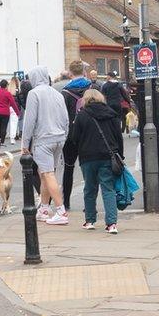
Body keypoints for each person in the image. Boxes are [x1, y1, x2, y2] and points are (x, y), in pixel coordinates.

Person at [64, 89, 124, 234]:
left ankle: (90, 220)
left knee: (90, 189)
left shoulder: (82, 115)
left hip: (88, 157)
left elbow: (74, 138)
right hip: (108, 156)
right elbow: (118, 137)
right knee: (108, 189)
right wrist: (120, 155)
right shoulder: (111, 114)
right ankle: (111, 224)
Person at [23, 66, 71, 225]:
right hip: (59, 139)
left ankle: (61, 211)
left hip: (43, 140)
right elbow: (66, 119)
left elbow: (29, 121)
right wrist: (64, 136)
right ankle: (44, 208)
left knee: (48, 174)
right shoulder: (57, 94)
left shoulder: (34, 93)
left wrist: (25, 143)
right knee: (44, 172)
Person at [59, 60, 97, 209]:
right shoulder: (92, 88)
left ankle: (66, 203)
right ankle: (90, 204)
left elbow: (62, 116)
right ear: (84, 72)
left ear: (70, 73)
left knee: (68, 169)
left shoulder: (65, 92)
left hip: (70, 135)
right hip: (88, 134)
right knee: (89, 170)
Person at [0, 79, 20, 146]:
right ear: (6, 85)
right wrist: (17, 112)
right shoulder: (7, 93)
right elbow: (13, 104)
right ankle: (2, 141)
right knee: (4, 127)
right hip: (5, 112)